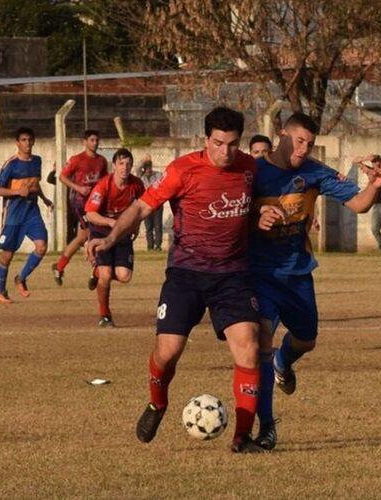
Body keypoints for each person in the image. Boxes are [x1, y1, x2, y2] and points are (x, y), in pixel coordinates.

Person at [86, 106, 265, 453]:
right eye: (217, 143)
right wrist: (109, 240)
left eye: (232, 144)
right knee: (167, 353)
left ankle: (243, 438)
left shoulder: (249, 167)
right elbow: (140, 208)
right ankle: (158, 403)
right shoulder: (182, 170)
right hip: (186, 273)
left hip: (233, 274)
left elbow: (257, 203)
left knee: (249, 348)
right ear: (205, 140)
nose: (225, 151)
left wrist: (264, 211)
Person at [251, 112, 381, 450]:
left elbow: (357, 205)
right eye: (299, 141)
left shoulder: (314, 172)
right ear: (282, 134)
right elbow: (232, 209)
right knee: (260, 345)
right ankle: (266, 426)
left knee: (306, 340)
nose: (303, 149)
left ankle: (286, 361)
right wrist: (256, 215)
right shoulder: (253, 171)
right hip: (258, 273)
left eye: (310, 143)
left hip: (297, 273)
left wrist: (373, 186)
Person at [85, 148, 145, 327]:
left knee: (124, 275)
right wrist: (111, 223)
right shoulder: (104, 185)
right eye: (121, 163)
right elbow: (90, 214)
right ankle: (105, 315)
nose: (124, 168)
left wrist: (135, 225)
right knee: (106, 274)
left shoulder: (137, 185)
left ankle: (97, 271)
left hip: (122, 234)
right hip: (101, 233)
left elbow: (143, 208)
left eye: (128, 164)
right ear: (114, 166)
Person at [0, 127, 54, 304]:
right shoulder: (10, 164)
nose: (27, 143)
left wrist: (44, 199)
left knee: (42, 246)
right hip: (13, 215)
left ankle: (21, 278)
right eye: (24, 140)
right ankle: (0, 291)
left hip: (31, 212)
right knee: (7, 255)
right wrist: (17, 191)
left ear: (33, 141)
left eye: (30, 140)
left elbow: (34, 184)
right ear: (17, 143)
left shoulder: (37, 161)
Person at [51, 130, 108, 288]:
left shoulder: (101, 161)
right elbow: (62, 176)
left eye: (97, 140)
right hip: (79, 202)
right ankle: (96, 271)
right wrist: (78, 187)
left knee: (82, 237)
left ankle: (59, 266)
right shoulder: (77, 159)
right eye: (92, 140)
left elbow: (104, 180)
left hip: (94, 203)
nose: (95, 143)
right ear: (85, 142)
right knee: (91, 234)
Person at [354, 154, 381, 252]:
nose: (376, 163)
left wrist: (369, 168)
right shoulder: (371, 169)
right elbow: (355, 161)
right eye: (374, 161)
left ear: (380, 161)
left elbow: (378, 174)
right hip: (376, 203)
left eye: (377, 161)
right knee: (375, 228)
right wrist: (365, 158)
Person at [137, 154, 164, 251]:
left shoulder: (157, 175)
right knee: (148, 226)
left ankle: (158, 245)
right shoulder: (141, 177)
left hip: (157, 204)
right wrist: (144, 160)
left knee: (158, 225)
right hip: (146, 205)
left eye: (149, 168)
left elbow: (164, 180)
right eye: (146, 168)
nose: (148, 170)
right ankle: (150, 245)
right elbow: (138, 169)